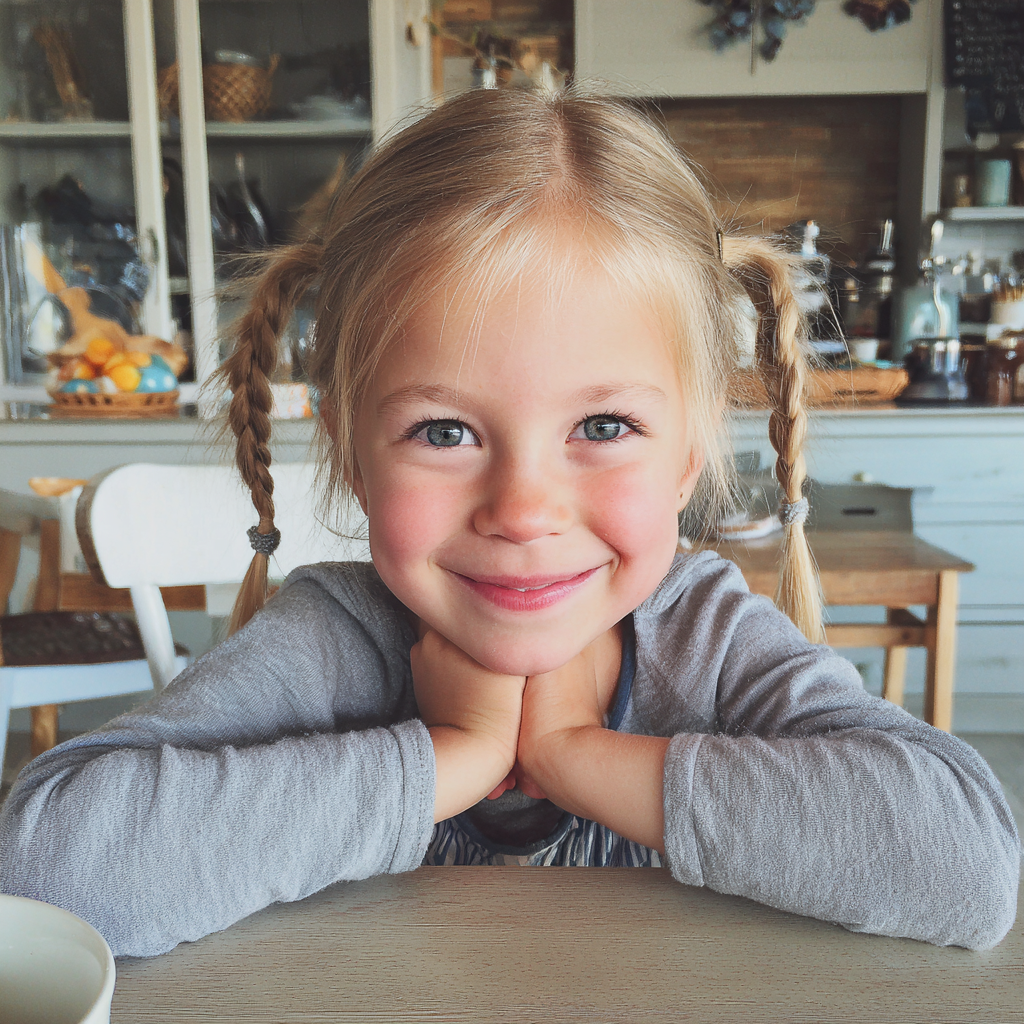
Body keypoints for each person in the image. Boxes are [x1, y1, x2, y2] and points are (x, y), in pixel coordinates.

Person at [0, 89, 1018, 958]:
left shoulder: (705, 634)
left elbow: (968, 864)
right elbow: (44, 869)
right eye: (443, 430)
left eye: (603, 425)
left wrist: (573, 750)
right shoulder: (334, 638)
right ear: (354, 458)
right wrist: (455, 755)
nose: (523, 510)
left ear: (687, 460)